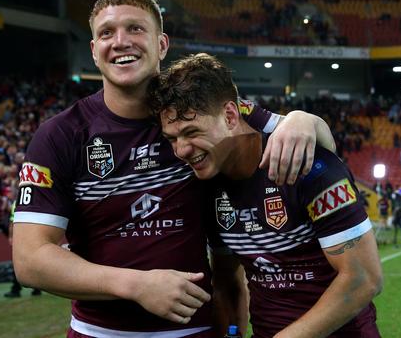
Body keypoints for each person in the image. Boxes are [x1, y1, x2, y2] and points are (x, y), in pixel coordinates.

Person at [12, 0, 336, 338]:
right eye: (107, 32)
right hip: (98, 332)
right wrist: (135, 285)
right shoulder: (59, 135)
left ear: (162, 44)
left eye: (135, 28)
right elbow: (30, 260)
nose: (120, 41)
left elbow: (318, 144)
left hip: (197, 332)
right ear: (94, 50)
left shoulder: (199, 111)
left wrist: (305, 119)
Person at [149, 53, 382, 338]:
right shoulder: (208, 187)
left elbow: (363, 279)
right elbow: (227, 282)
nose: (181, 150)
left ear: (231, 116)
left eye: (192, 132)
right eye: (172, 138)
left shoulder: (308, 165)